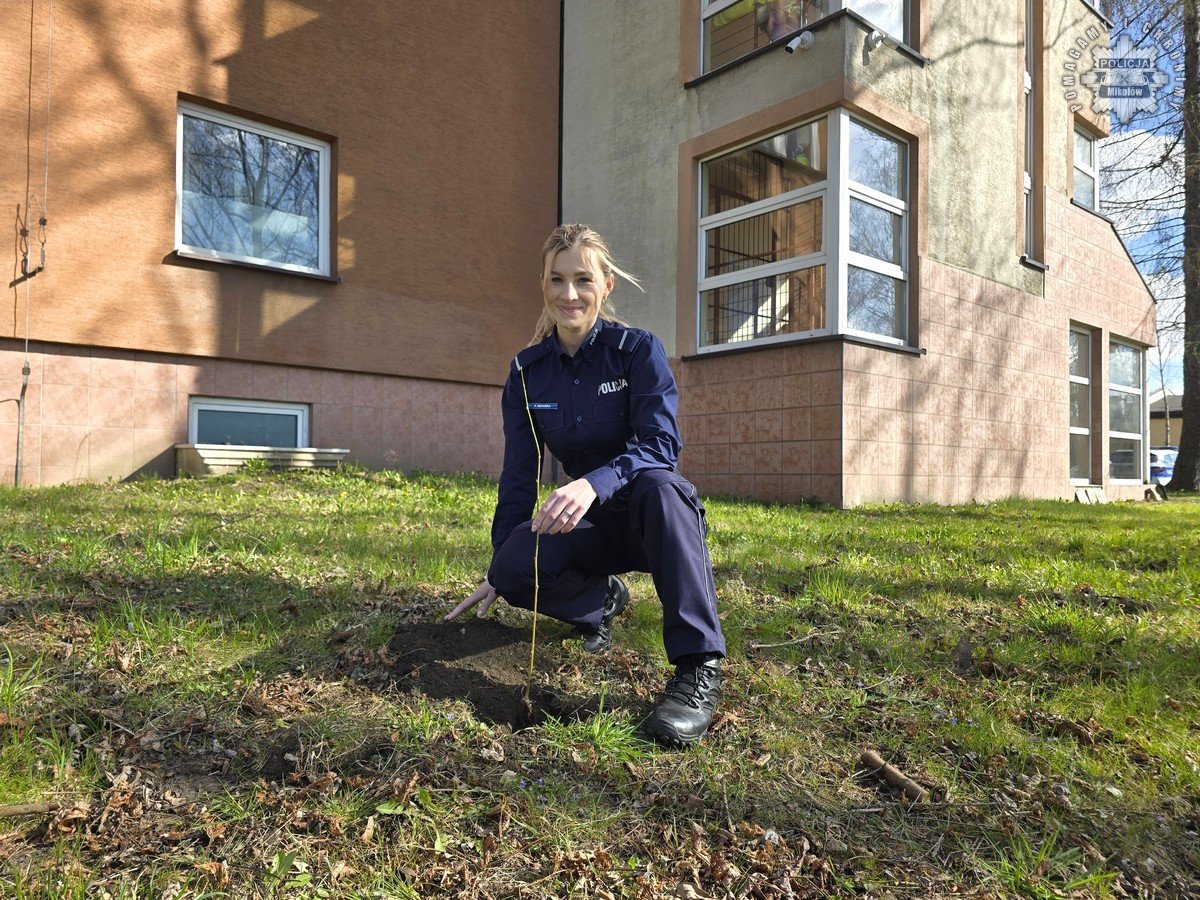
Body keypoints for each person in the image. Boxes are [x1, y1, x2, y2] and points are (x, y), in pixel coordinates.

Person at [445, 224, 726, 747]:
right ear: (543, 285)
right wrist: (502, 564)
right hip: (592, 530)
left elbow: (662, 445)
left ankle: (698, 667)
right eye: (556, 279)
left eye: (583, 279)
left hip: (654, 522)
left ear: (606, 284)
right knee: (512, 566)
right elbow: (519, 471)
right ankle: (601, 601)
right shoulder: (526, 373)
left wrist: (594, 483)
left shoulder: (636, 351)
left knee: (664, 489)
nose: (568, 294)